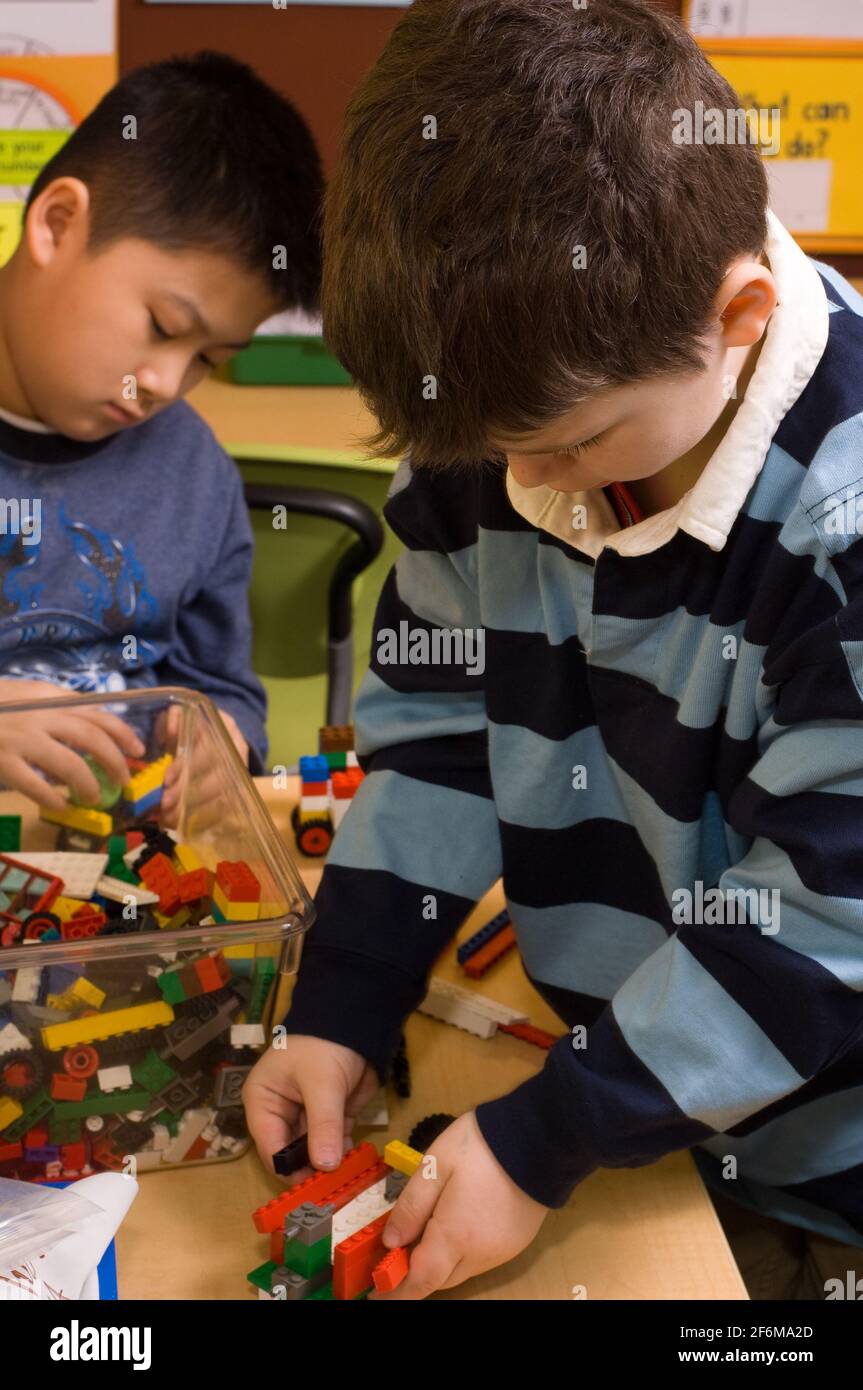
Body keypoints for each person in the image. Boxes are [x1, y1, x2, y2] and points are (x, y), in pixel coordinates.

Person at [244, 0, 863, 1299]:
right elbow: (436, 744)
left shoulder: (838, 520)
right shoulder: (502, 409)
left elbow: (827, 916)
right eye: (487, 453)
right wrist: (341, 999)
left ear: (735, 313)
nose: (526, 491)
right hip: (612, 1091)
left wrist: (546, 1137)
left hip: (821, 1142)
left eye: (573, 446)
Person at [0, 50, 323, 796]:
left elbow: (222, 689)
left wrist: (219, 740)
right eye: (162, 324)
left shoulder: (194, 474)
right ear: (56, 223)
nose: (165, 385)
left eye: (209, 357)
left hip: (116, 878)